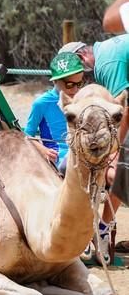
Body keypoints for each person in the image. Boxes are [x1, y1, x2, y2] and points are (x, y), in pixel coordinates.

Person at [58, 38, 128, 264]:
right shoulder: (108, 54)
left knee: (118, 172)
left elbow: (124, 109)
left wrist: (116, 151)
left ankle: (102, 229)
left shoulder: (107, 62)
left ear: (81, 57)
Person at [24, 52, 85, 173]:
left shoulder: (82, 98)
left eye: (79, 84)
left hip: (81, 153)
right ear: (55, 81)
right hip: (59, 158)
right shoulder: (42, 103)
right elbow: (27, 136)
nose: (75, 89)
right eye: (69, 84)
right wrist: (42, 149)